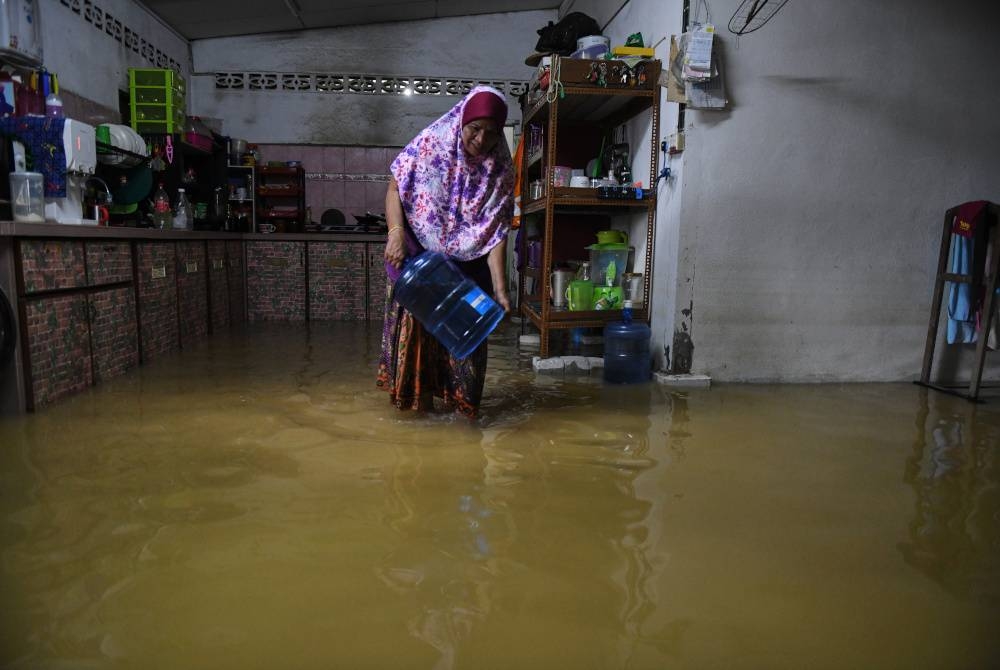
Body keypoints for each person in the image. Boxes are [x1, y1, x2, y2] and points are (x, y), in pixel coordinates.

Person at [376, 85, 515, 418]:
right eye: (475, 129)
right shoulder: (432, 143)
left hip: (469, 269)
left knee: (468, 348)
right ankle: (419, 421)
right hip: (420, 265)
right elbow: (395, 185)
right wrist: (395, 233)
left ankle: (463, 425)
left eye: (492, 133)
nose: (482, 139)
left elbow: (495, 232)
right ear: (462, 122)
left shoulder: (500, 171)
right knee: (418, 351)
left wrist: (500, 289)